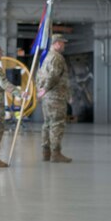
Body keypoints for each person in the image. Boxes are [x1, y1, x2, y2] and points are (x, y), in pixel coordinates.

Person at [37, 34, 72, 163]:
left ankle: (46, 153)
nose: (64, 45)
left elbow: (39, 75)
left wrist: (40, 91)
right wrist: (45, 89)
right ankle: (56, 154)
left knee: (47, 124)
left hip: (47, 98)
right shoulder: (57, 58)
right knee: (57, 124)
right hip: (56, 96)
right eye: (62, 43)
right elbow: (54, 76)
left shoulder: (45, 57)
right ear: (56, 43)